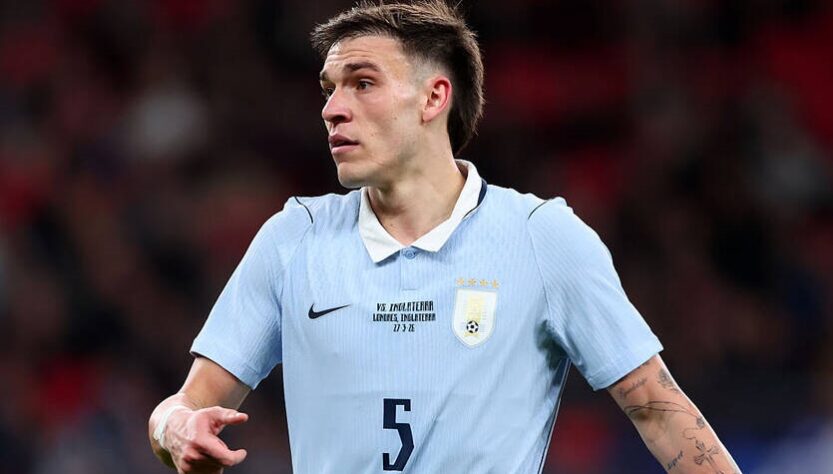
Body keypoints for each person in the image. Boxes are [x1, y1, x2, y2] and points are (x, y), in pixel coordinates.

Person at [148, 1, 742, 472]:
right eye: (329, 89)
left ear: (434, 97)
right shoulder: (292, 240)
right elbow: (184, 404)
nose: (332, 109)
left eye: (362, 83)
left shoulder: (541, 238)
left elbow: (659, 410)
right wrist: (175, 429)